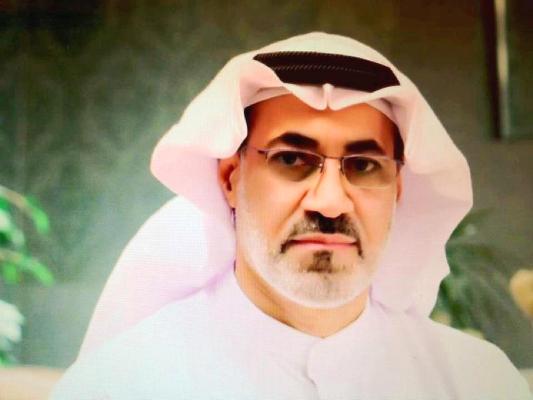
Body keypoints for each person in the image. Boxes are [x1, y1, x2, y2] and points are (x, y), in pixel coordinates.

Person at [51, 32, 531, 399]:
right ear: (230, 178)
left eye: (363, 165)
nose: (330, 202)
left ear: (398, 191)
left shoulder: (476, 382)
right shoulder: (122, 383)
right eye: (291, 159)